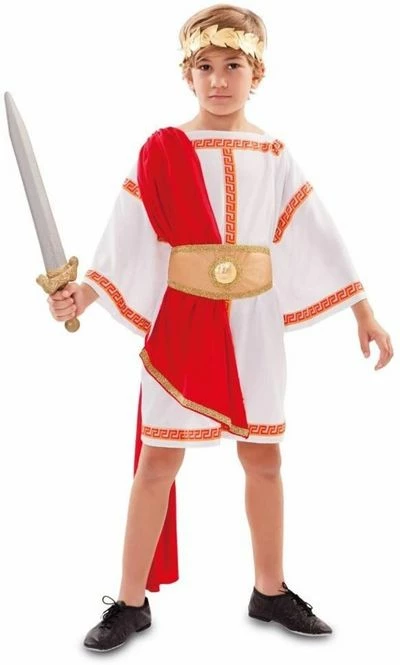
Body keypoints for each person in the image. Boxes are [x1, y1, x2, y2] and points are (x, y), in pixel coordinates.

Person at [48, 2, 393, 652]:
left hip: (253, 327)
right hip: (183, 322)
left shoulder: (273, 153)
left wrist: (363, 310)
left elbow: (315, 233)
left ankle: (270, 588)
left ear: (257, 73)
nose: (219, 79)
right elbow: (126, 239)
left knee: (263, 456)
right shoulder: (163, 151)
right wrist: (84, 297)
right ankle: (130, 600)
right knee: (158, 459)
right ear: (187, 74)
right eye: (205, 66)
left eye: (233, 65)